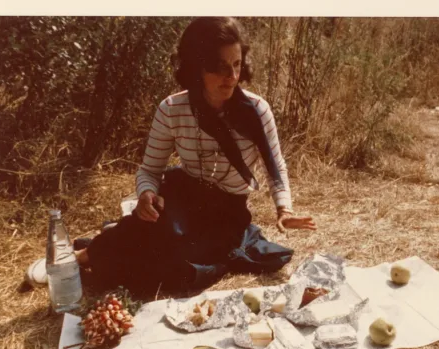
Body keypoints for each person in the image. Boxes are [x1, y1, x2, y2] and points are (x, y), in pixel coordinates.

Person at [32, 17, 316, 296]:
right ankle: (81, 257)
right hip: (183, 197)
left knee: (179, 268)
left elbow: (274, 164)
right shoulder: (171, 109)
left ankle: (107, 246)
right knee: (157, 229)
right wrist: (145, 194)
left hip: (227, 213)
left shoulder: (257, 111)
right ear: (196, 67)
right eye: (219, 67)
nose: (232, 76)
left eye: (237, 64)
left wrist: (284, 210)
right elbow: (150, 170)